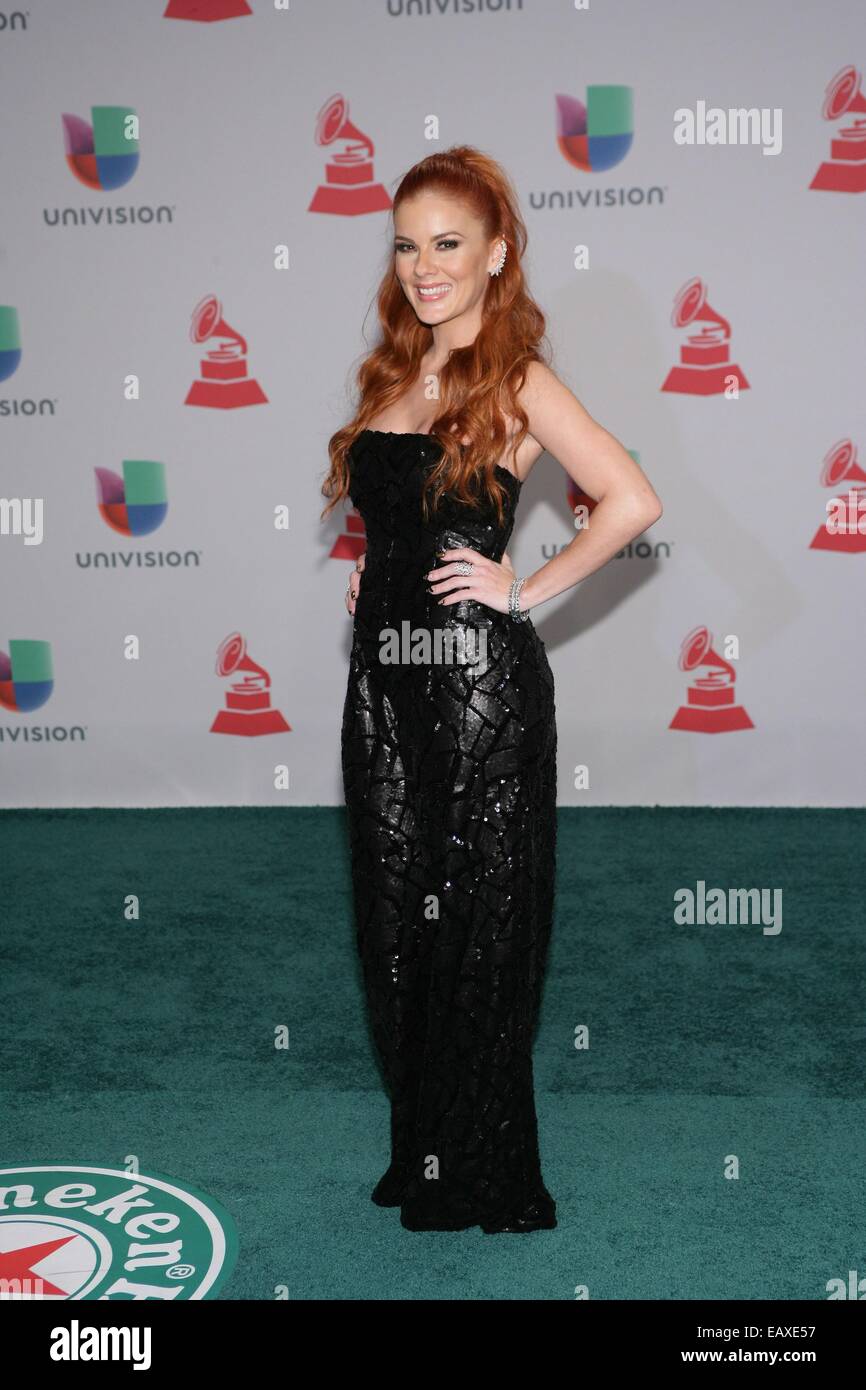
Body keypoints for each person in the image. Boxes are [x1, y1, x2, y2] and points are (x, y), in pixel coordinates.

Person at [322, 146, 662, 1234]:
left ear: (496, 253)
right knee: (392, 925)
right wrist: (367, 580)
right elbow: (395, 515)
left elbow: (629, 497)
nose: (424, 266)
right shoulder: (393, 371)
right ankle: (423, 1146)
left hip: (476, 696)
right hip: (381, 694)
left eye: (448, 244)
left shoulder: (513, 378)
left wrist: (523, 590)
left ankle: (481, 1170)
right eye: (408, 243)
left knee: (478, 926)